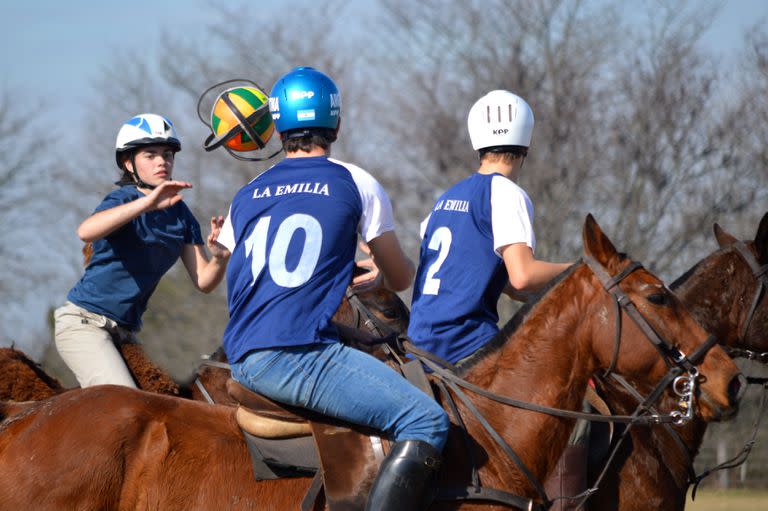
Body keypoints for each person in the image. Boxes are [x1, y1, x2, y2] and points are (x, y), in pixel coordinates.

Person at [216, 67, 449, 511]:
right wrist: (379, 275)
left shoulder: (247, 192)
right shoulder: (355, 181)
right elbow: (401, 279)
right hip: (296, 354)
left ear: (278, 126)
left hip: (241, 354)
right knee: (426, 420)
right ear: (337, 124)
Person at [408, 90, 580, 509]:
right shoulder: (506, 194)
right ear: (526, 143)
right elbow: (522, 274)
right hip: (467, 347)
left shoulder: (445, 200)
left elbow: (506, 283)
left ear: (476, 140)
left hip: (418, 345)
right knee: (572, 385)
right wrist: (582, 270)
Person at [54, 113, 230, 388]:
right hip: (83, 325)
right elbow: (85, 231)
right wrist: (146, 204)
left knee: (164, 401)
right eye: (151, 155)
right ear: (128, 163)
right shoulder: (122, 199)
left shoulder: (182, 215)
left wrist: (220, 258)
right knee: (127, 406)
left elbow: (204, 281)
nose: (162, 161)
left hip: (124, 335)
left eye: (168, 154)